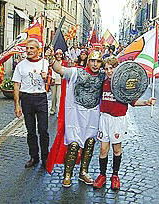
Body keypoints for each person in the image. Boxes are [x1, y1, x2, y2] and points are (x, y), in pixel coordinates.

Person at [93, 56, 156, 190]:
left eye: (111, 68)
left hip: (118, 120)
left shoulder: (124, 84)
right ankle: (102, 175)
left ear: (117, 68)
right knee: (103, 149)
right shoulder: (103, 84)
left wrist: (146, 102)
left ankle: (115, 176)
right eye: (106, 69)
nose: (109, 71)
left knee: (117, 149)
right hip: (104, 119)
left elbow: (133, 101)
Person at [52, 50, 105, 187]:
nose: (95, 64)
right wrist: (54, 58)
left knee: (90, 142)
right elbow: (59, 69)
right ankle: (67, 174)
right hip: (76, 113)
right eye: (92, 61)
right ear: (88, 61)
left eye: (98, 61)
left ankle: (83, 172)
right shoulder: (76, 72)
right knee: (74, 144)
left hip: (93, 113)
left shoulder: (103, 76)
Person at [12, 38, 49, 169]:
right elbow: (16, 85)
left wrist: (46, 77)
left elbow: (49, 84)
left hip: (41, 98)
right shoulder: (20, 65)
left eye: (32, 48)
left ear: (38, 50)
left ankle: (46, 157)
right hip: (27, 99)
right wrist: (17, 105)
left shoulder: (45, 62)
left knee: (43, 130)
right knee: (31, 130)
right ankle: (34, 156)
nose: (29, 51)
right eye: (27, 48)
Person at [49, 49, 68, 115]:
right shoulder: (53, 62)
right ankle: (52, 109)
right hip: (53, 81)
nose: (59, 56)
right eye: (57, 54)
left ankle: (59, 111)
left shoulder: (64, 62)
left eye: (60, 54)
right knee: (53, 96)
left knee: (59, 96)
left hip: (61, 81)